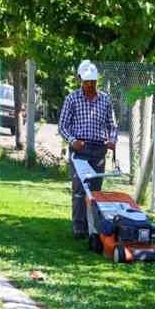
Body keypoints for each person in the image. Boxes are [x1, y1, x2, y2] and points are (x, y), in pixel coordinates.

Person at [60, 60, 118, 238]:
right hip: (80, 150)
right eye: (87, 81)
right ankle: (79, 228)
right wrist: (72, 140)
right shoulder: (72, 99)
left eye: (93, 81)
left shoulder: (105, 100)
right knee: (79, 189)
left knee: (95, 191)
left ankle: (95, 229)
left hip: (99, 150)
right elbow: (62, 126)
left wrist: (112, 140)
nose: (91, 85)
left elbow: (112, 125)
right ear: (80, 80)